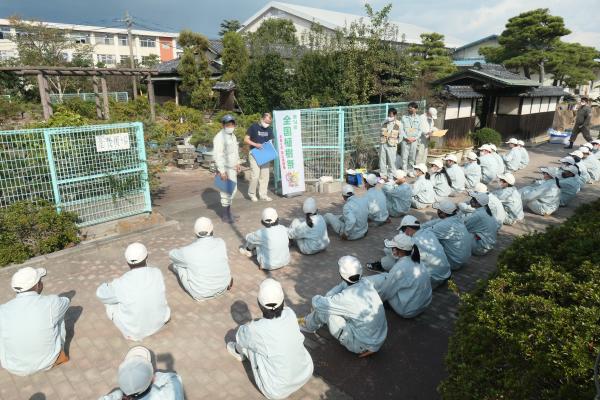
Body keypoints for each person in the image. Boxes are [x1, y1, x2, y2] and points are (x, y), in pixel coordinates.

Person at [227, 279, 313, 400]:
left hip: (277, 390)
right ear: (282, 301)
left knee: (250, 344)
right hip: (305, 373)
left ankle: (237, 352)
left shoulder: (254, 329)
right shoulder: (290, 313)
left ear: (259, 303)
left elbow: (240, 337)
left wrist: (250, 325)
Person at [298, 256, 387, 357]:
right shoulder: (365, 282)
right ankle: (311, 321)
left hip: (361, 345)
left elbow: (317, 303)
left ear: (341, 274)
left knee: (325, 311)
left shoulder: (346, 298)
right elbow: (342, 285)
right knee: (329, 304)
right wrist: (329, 298)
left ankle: (307, 324)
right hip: (377, 338)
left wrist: (321, 300)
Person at [0, 267, 69, 376]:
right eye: (40, 281)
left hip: (14, 367)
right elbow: (66, 301)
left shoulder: (2, 309)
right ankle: (58, 355)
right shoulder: (52, 302)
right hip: (48, 362)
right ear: (37, 285)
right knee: (59, 316)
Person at [96, 243, 171, 341]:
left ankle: (129, 332)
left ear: (127, 262)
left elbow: (100, 293)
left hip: (136, 333)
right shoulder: (157, 272)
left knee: (109, 303)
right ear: (146, 257)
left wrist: (107, 285)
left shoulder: (120, 283)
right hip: (160, 322)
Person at [367, 215, 451, 289]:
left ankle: (381, 265)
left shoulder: (412, 242)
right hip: (446, 274)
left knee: (396, 260)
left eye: (403, 230)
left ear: (407, 229)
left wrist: (391, 248)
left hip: (432, 281)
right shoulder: (429, 233)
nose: (403, 233)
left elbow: (396, 255)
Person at [366, 233, 432, 318]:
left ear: (399, 250)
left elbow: (385, 291)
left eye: (393, 248)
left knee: (383, 282)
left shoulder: (399, 268)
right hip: (423, 305)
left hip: (407, 310)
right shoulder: (418, 261)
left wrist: (376, 301)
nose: (392, 250)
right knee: (387, 277)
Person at [169, 217, 232, 301]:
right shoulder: (221, 242)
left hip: (201, 294)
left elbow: (171, 255)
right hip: (224, 286)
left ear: (195, 232)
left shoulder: (187, 251)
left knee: (178, 265)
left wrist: (184, 251)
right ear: (212, 229)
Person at [98, 346, 184, 400]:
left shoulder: (119, 395)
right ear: (153, 378)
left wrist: (118, 394)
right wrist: (155, 376)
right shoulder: (169, 394)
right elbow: (175, 378)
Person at [421, 200, 471, 270]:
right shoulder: (456, 218)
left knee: (423, 243)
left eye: (438, 210)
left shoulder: (445, 225)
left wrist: (413, 230)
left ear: (443, 213)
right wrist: (420, 226)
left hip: (453, 262)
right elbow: (435, 222)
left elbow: (423, 234)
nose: (437, 211)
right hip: (462, 259)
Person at [213, 114, 242, 223]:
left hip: (232, 168)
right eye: (228, 124)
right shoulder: (219, 138)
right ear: (223, 125)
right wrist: (222, 171)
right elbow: (218, 155)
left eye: (232, 124)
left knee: (232, 191)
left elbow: (235, 151)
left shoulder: (232, 136)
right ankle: (225, 216)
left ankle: (229, 213)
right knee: (226, 192)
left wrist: (238, 163)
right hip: (225, 168)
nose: (230, 126)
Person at [245, 113, 274, 202]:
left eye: (269, 122)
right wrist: (255, 144)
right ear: (262, 119)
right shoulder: (253, 127)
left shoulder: (269, 129)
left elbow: (271, 141)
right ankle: (252, 194)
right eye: (266, 121)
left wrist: (270, 149)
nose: (267, 124)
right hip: (254, 153)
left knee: (265, 176)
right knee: (255, 176)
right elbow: (246, 139)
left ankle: (263, 195)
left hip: (265, 154)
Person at [400, 102, 422, 176]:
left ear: (416, 109)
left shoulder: (419, 118)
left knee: (412, 157)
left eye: (411, 108)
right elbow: (401, 129)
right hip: (405, 140)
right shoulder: (404, 117)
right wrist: (406, 138)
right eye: (408, 108)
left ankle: (410, 171)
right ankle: (404, 171)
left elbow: (420, 130)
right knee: (404, 156)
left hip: (414, 140)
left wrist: (415, 138)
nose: (409, 109)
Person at [379, 108, 401, 180]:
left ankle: (391, 176)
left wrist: (396, 142)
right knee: (382, 160)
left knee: (391, 161)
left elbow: (401, 136)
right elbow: (380, 131)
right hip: (383, 143)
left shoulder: (399, 124)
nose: (390, 116)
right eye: (389, 114)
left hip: (392, 145)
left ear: (395, 115)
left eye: (391, 115)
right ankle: (383, 175)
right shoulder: (384, 122)